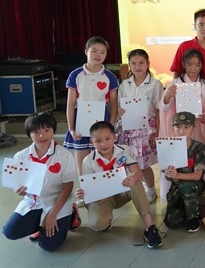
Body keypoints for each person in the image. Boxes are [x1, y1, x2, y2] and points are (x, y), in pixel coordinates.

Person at [75, 121, 162, 248]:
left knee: (135, 182)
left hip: (122, 191)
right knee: (99, 225)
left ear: (115, 137)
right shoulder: (88, 161)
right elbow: (88, 187)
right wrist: (82, 193)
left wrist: (133, 177)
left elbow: (137, 171)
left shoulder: (124, 150)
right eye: (98, 141)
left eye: (107, 138)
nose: (103, 144)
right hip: (102, 197)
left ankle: (150, 227)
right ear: (91, 142)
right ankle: (104, 216)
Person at [2, 113, 80, 251]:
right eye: (36, 132)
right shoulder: (21, 156)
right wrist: (19, 191)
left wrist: (52, 214)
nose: (42, 135)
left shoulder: (64, 155)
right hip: (33, 202)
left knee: (48, 246)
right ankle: (39, 225)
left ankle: (71, 215)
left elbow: (68, 186)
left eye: (47, 130)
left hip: (57, 202)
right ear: (29, 134)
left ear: (53, 131)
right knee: (10, 232)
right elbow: (16, 183)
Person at [64, 36, 119, 174]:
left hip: (102, 121)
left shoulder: (110, 76)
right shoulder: (76, 75)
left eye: (102, 52)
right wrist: (71, 128)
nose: (98, 55)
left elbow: (113, 104)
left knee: (103, 164)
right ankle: (85, 187)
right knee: (82, 167)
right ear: (86, 51)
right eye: (94, 51)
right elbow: (70, 103)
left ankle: (104, 187)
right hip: (80, 121)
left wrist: (111, 125)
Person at [116, 49, 164, 203]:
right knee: (129, 161)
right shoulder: (125, 85)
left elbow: (159, 110)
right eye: (134, 63)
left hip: (146, 128)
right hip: (128, 128)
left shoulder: (155, 84)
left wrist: (157, 132)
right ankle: (137, 187)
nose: (137, 67)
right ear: (129, 65)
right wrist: (121, 111)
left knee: (143, 163)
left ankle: (150, 189)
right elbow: (120, 106)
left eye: (141, 63)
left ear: (148, 64)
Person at [163, 112, 205, 232]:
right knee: (172, 223)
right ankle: (185, 208)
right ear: (173, 128)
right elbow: (168, 177)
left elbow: (197, 176)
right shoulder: (169, 147)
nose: (182, 131)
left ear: (193, 128)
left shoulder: (198, 147)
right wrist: (170, 175)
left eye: (186, 127)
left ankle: (194, 217)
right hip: (176, 185)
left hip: (194, 184)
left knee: (186, 186)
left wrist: (177, 175)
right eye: (178, 127)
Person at [160, 49, 205, 143]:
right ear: (183, 64)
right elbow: (165, 109)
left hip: (199, 126)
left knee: (198, 148)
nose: (193, 68)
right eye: (189, 64)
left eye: (197, 65)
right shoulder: (175, 84)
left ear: (201, 65)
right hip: (180, 127)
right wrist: (167, 97)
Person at [170, 8, 205, 88]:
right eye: (201, 25)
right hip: (187, 92)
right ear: (195, 26)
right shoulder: (184, 46)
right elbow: (177, 72)